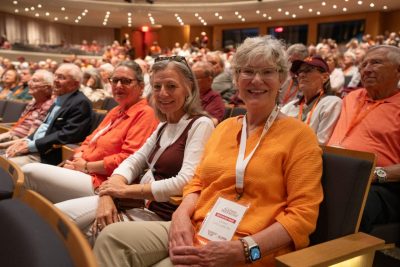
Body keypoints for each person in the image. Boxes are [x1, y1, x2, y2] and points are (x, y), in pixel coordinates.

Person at [94, 36, 323, 267]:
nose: (256, 80)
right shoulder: (224, 128)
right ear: (236, 78)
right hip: (198, 228)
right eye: (247, 71)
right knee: (111, 239)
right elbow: (196, 183)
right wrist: (181, 216)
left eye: (267, 72)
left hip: (251, 246)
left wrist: (245, 250)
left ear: (282, 78)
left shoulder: (300, 136)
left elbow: (302, 215)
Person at [22, 60, 159, 226]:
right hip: (83, 170)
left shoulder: (145, 113)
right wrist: (78, 158)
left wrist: (86, 166)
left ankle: (24, 230)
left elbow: (128, 159)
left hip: (103, 180)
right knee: (41, 197)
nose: (118, 85)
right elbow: (89, 140)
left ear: (141, 86)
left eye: (126, 81)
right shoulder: (116, 110)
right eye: (114, 80)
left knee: (29, 172)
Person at [328, 45, 400, 232]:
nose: (366, 69)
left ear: (398, 70)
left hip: (382, 184)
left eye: (376, 63)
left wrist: (375, 175)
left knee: (350, 202)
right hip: (336, 172)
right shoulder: (351, 97)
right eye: (363, 64)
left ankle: (335, 258)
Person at [5, 63, 93, 166]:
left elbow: (66, 135)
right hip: (33, 148)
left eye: (61, 77)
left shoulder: (81, 103)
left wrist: (30, 146)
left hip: (46, 154)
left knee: (4, 166)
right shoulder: (59, 99)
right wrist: (26, 140)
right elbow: (43, 126)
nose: (55, 80)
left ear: (74, 84)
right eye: (55, 75)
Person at [281, 56, 342, 145]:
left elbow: (321, 144)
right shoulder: (290, 106)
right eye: (299, 72)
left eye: (308, 70)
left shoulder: (332, 103)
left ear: (324, 77)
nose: (301, 75)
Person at [0, 70, 54, 149]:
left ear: (47, 87)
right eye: (31, 80)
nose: (29, 83)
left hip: (21, 143)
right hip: (12, 136)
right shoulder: (33, 102)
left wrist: (1, 146)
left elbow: (29, 138)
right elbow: (15, 129)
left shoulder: (47, 105)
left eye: (34, 81)